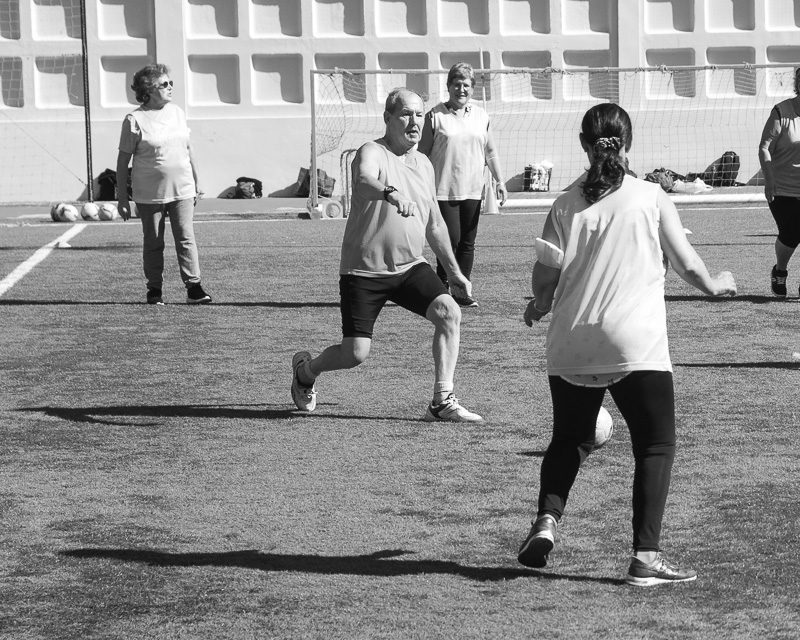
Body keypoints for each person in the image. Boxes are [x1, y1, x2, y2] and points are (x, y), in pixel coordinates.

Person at [516, 103, 736, 586]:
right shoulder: (651, 196)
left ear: (583, 144)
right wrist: (717, 283)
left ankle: (547, 521)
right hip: (633, 343)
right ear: (628, 143)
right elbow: (688, 266)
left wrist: (538, 305)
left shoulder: (564, 204)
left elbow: (545, 280)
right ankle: (645, 558)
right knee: (655, 445)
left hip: (570, 343)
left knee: (570, 438)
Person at [290, 88, 483, 423]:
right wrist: (390, 193)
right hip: (363, 270)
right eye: (406, 114)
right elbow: (363, 179)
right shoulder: (372, 151)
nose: (414, 121)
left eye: (420, 114)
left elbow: (434, 225)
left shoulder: (423, 163)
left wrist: (453, 272)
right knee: (355, 353)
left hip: (410, 266)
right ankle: (306, 371)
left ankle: (441, 402)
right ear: (388, 118)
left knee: (449, 313)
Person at [116, 63, 212, 305]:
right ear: (148, 90)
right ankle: (154, 290)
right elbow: (122, 160)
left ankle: (194, 288)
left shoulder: (177, 112)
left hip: (183, 189)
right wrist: (122, 199)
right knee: (154, 242)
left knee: (186, 237)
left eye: (171, 83)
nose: (170, 87)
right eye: (164, 84)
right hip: (149, 194)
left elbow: (188, 148)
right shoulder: (134, 119)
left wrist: (197, 180)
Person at [417, 62, 507, 308]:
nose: (461, 89)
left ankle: (462, 291)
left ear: (472, 88)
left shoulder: (482, 116)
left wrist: (499, 180)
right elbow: (422, 155)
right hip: (443, 191)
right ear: (448, 86)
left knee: (467, 243)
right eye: (456, 84)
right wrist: (419, 184)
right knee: (451, 241)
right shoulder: (435, 116)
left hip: (473, 190)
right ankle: (441, 288)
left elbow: (490, 152)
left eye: (466, 85)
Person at [759, 67, 800, 298]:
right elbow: (764, 148)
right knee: (792, 232)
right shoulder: (781, 112)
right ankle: (780, 270)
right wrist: (769, 180)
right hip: (781, 188)